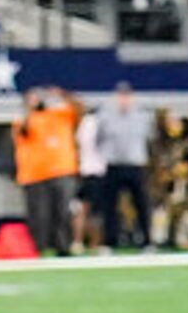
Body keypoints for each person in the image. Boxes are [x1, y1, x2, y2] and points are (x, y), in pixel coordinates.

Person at [11, 87, 82, 255]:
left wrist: (63, 95)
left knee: (63, 212)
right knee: (39, 216)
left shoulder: (60, 114)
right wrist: (30, 108)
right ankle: (37, 248)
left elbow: (80, 110)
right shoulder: (23, 120)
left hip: (61, 170)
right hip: (35, 175)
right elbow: (24, 132)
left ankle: (63, 248)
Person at [87, 83, 152, 252]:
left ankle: (146, 240)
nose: (124, 100)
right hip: (114, 164)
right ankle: (110, 241)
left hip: (135, 164)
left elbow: (149, 137)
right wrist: (105, 155)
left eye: (127, 96)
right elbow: (98, 138)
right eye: (121, 96)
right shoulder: (106, 115)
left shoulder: (141, 115)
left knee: (141, 204)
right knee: (110, 205)